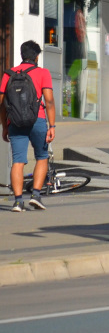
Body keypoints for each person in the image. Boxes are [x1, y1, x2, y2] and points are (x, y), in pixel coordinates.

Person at [0, 41, 56, 212]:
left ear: (21, 55)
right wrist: (52, 125)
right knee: (42, 156)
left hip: (15, 122)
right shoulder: (43, 73)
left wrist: (5, 126)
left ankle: (17, 201)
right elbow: (49, 100)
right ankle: (36, 195)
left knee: (18, 161)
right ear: (37, 56)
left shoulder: (8, 74)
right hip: (37, 120)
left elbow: (2, 104)